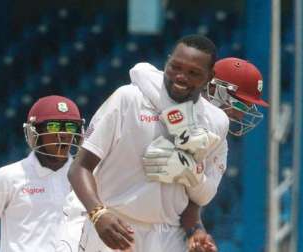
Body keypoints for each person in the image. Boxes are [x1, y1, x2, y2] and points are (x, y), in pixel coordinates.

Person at [68, 34, 229, 252]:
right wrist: (98, 214)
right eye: (175, 67)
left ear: (210, 77)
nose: (181, 77)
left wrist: (196, 230)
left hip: (169, 236)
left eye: (194, 73)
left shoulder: (215, 122)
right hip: (115, 227)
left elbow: (194, 199)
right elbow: (80, 168)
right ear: (167, 61)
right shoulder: (128, 99)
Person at [129, 56, 269, 251]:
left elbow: (198, 200)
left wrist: (197, 230)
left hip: (157, 228)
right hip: (114, 212)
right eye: (241, 105)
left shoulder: (219, 143)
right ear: (214, 89)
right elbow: (140, 70)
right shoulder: (164, 97)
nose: (241, 115)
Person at [0, 95, 84, 252]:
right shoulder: (9, 177)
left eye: (70, 127)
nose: (63, 135)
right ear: (34, 132)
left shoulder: (86, 178)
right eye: (54, 126)